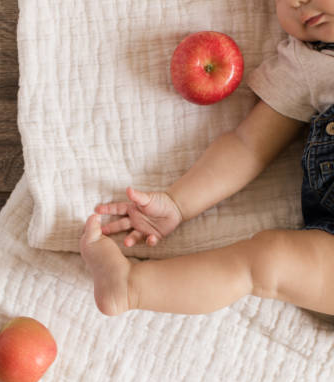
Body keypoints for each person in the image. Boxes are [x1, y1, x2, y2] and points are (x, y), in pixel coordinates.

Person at [80, 0, 334, 317]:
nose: (295, 3)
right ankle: (131, 285)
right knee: (266, 259)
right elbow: (248, 146)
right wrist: (178, 203)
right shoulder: (307, 65)